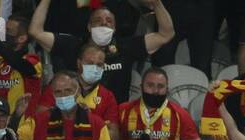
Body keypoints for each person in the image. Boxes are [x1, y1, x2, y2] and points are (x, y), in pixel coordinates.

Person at [29, 0, 175, 103]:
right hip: (76, 113)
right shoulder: (73, 45)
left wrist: (156, 3)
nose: (104, 23)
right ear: (89, 27)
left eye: (109, 21)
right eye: (98, 20)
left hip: (114, 117)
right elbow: (35, 31)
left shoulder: (127, 46)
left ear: (115, 28)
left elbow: (166, 34)